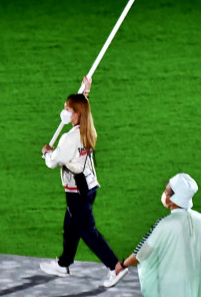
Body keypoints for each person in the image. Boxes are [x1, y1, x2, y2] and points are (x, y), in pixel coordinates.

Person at [39, 76, 128, 288]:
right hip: (89, 187)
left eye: (69, 109)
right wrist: (85, 93)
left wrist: (46, 154)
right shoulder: (89, 130)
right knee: (70, 227)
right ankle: (63, 264)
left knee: (87, 231)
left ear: (77, 113)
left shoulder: (68, 139)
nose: (65, 112)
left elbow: (54, 162)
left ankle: (115, 266)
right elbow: (86, 112)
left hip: (75, 192)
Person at [116, 173, 201, 297]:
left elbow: (142, 253)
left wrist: (122, 264)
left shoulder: (164, 224)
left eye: (166, 190)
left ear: (171, 199)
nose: (164, 193)